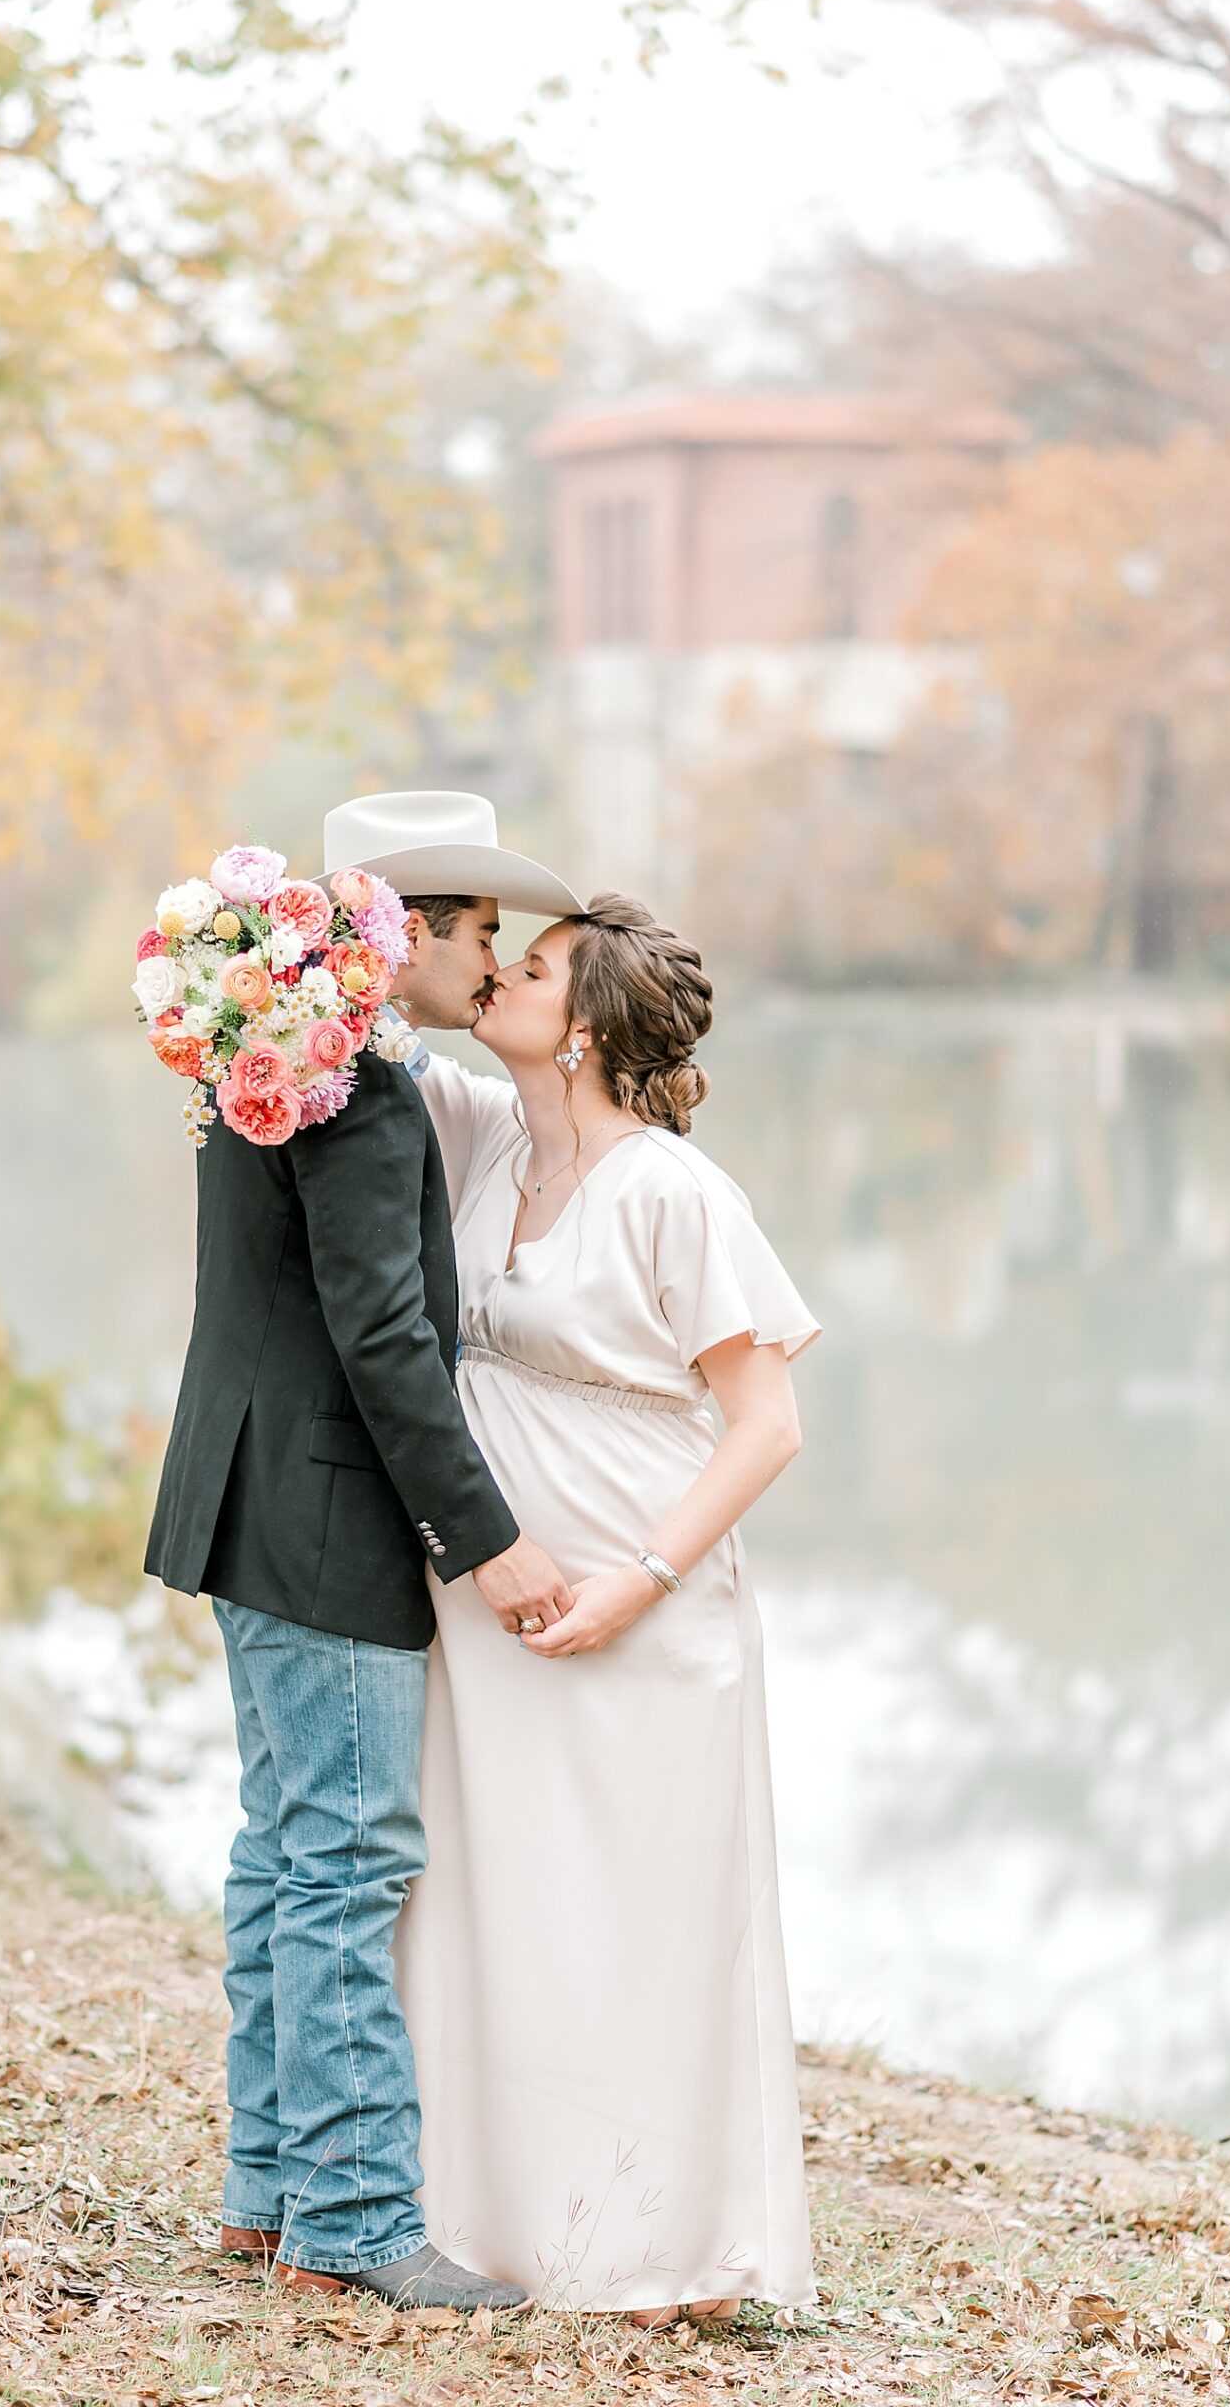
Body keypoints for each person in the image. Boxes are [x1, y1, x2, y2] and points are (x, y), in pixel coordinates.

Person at [144, 790, 587, 2313]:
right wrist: (490, 1543)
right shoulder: (351, 1086)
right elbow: (384, 1338)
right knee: (342, 1861)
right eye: (473, 933)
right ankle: (350, 2216)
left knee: (285, 1853)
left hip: (245, 1493)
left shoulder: (270, 1062)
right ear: (401, 934)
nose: (492, 961)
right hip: (325, 1511)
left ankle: (270, 2188)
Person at [395, 893, 820, 2321]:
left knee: (638, 1916)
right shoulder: (481, 1134)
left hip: (641, 1606)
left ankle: (660, 2248)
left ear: (577, 1026)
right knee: (506, 1896)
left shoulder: (671, 1192)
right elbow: (366, 1018)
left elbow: (763, 1425)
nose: (488, 976)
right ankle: (507, 2223)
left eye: (521, 968)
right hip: (495, 1608)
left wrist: (638, 1584)